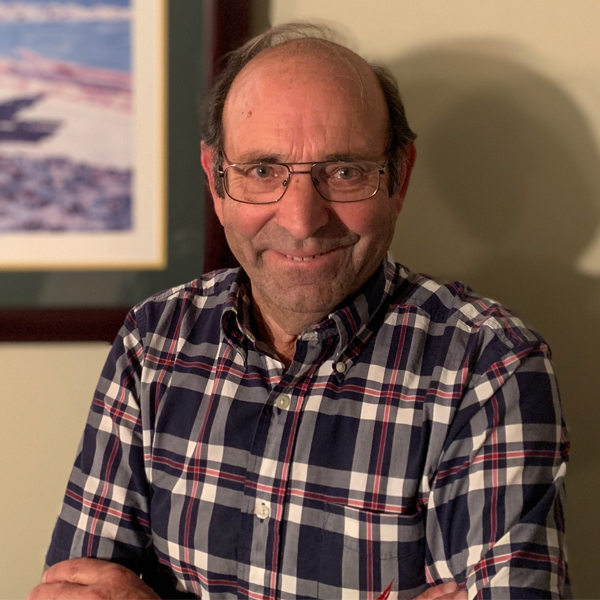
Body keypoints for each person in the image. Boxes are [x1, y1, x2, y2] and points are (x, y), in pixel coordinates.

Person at [29, 24, 569, 600]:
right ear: (217, 180)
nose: (302, 220)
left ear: (399, 177)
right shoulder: (153, 341)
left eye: (344, 172)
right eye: (263, 171)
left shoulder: (490, 367)